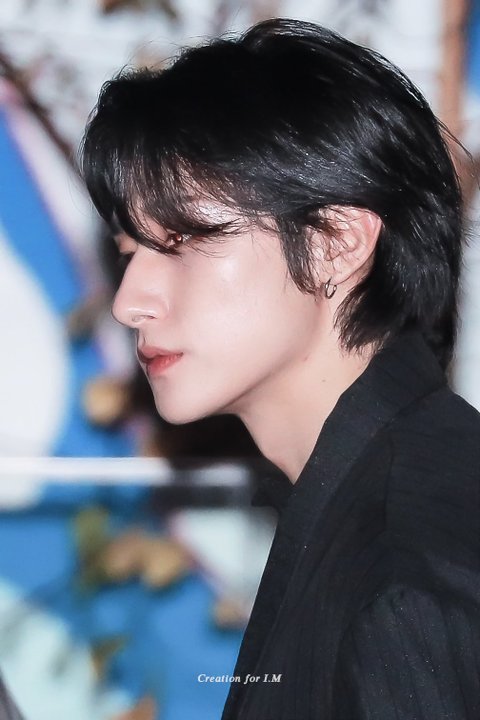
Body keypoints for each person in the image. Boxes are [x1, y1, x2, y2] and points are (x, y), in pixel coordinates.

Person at [80, 18, 480, 720]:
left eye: (180, 241)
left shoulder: (401, 578)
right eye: (129, 252)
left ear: (335, 245)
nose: (129, 301)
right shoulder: (379, 496)